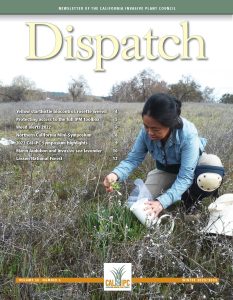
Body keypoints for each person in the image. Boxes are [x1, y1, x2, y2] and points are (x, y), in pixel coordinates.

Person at [103, 93, 222, 218]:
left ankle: (190, 202)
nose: (149, 133)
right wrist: (115, 174)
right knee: (138, 205)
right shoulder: (146, 132)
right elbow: (133, 159)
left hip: (193, 169)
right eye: (146, 126)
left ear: (170, 124)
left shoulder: (188, 134)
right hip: (167, 170)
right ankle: (176, 195)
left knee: (211, 172)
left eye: (156, 129)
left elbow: (185, 176)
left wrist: (161, 203)